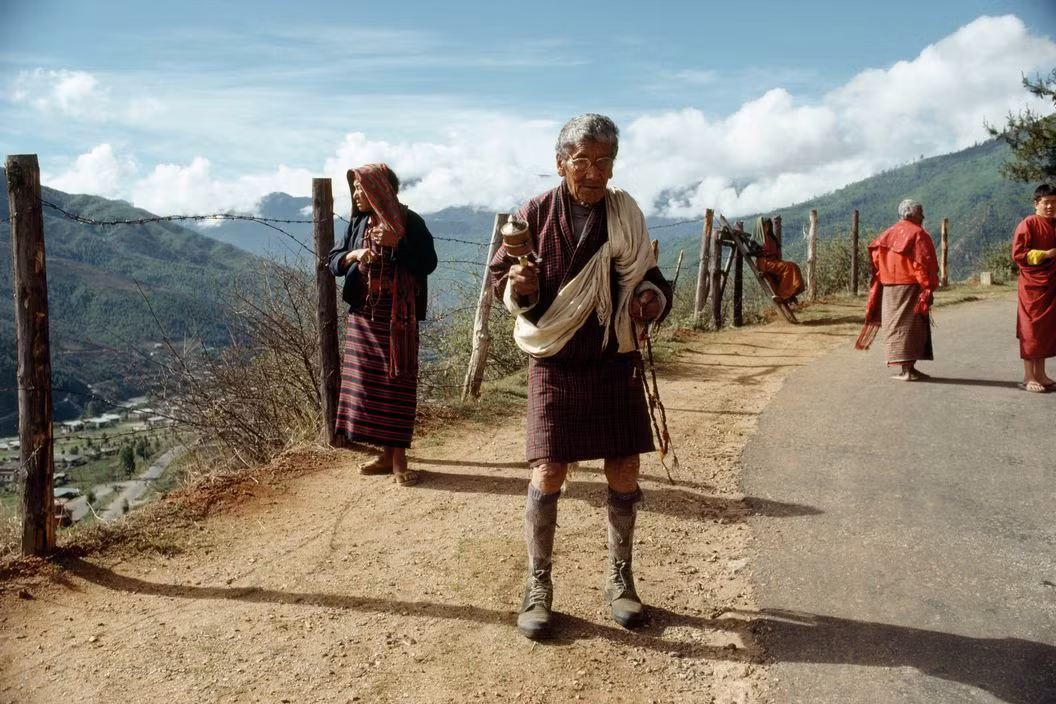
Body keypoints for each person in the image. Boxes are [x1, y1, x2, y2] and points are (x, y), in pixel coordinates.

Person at [488, 113, 673, 640]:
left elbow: (650, 277)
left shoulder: (625, 212)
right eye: (582, 161)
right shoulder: (533, 215)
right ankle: (537, 585)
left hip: (614, 355)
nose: (594, 172)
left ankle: (621, 580)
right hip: (556, 358)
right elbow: (505, 281)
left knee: (625, 466)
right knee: (548, 469)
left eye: (604, 161)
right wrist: (522, 286)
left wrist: (648, 298)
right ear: (560, 163)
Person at [327, 163, 437, 486]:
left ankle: (399, 458)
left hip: (398, 317)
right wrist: (354, 254)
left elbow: (428, 263)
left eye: (361, 189)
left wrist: (397, 243)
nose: (356, 195)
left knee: (396, 383)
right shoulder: (358, 223)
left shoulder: (410, 222)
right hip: (364, 316)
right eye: (354, 189)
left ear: (379, 190)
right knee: (369, 386)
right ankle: (386, 455)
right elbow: (333, 260)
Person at [855, 198, 939, 381]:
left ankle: (907, 369)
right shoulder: (918, 234)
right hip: (910, 287)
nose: (923, 216)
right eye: (920, 213)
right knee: (910, 327)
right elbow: (922, 264)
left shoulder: (887, 234)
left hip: (889, 289)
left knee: (896, 326)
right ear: (910, 214)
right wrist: (927, 287)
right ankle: (908, 371)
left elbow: (876, 259)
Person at [1011, 183, 1056, 393]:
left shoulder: (1054, 224)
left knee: (1045, 330)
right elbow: (1018, 254)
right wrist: (1045, 254)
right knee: (1030, 330)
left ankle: (1041, 374)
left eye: (1054, 202)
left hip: (1050, 285)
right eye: (1046, 202)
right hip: (1032, 287)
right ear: (1036, 203)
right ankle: (1028, 376)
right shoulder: (1028, 223)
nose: (1050, 206)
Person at [751, 216, 804, 303]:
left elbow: (777, 251)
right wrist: (764, 252)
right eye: (764, 226)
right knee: (788, 267)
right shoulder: (756, 239)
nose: (767, 228)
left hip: (774, 261)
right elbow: (756, 252)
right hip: (765, 263)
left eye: (768, 226)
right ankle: (783, 295)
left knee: (793, 266)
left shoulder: (772, 238)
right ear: (760, 227)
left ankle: (789, 293)